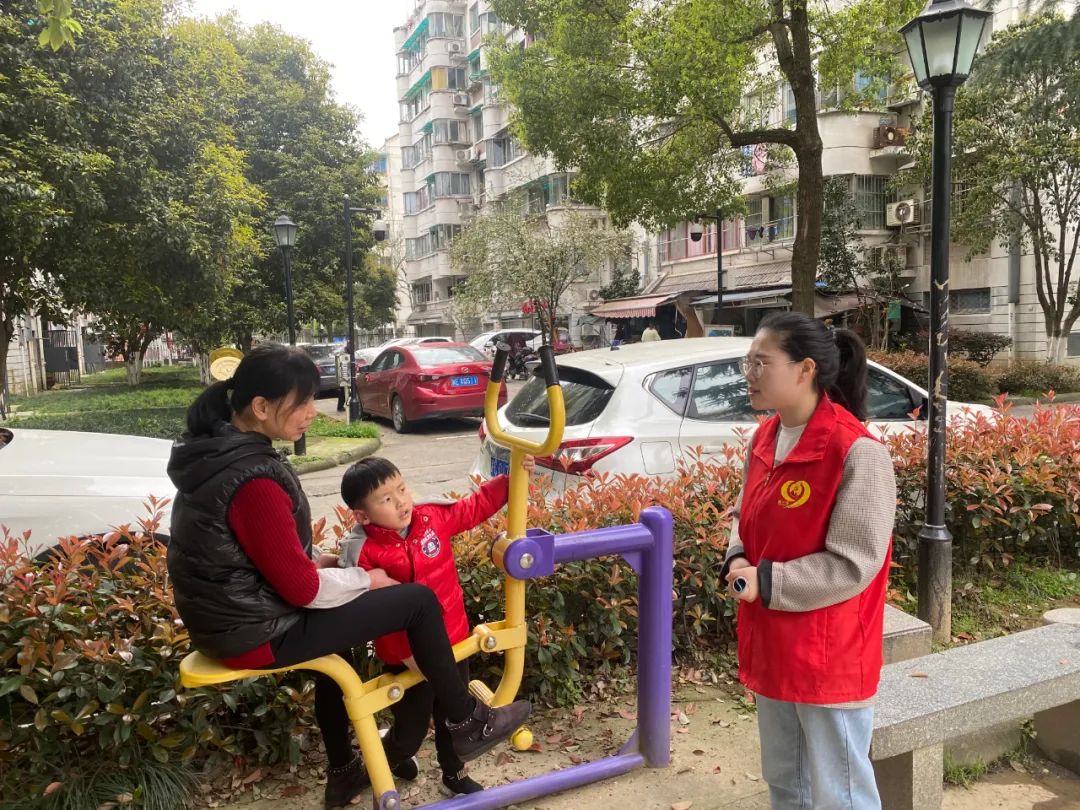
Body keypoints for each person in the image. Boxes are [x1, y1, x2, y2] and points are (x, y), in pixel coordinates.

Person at [166, 344, 531, 810]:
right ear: (260, 408)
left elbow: (248, 557)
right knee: (417, 600)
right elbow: (301, 590)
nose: (312, 414)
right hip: (254, 632)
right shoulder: (252, 478)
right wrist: (366, 580)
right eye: (301, 404)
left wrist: (315, 563)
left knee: (336, 646)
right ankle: (466, 721)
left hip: (233, 623)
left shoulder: (215, 456)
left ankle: (343, 773)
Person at [719, 312, 896, 810]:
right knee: (785, 781)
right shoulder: (766, 438)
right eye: (747, 361)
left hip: (828, 655)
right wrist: (737, 557)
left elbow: (853, 564)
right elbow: (744, 512)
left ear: (805, 369)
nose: (748, 373)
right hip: (773, 644)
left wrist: (767, 581)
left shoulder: (857, 452)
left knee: (840, 792)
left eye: (762, 362)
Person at [337, 454, 535, 796]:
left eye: (402, 489)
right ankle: (375, 766)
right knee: (410, 733)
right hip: (407, 657)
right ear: (361, 515)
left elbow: (473, 508)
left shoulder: (431, 518)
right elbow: (360, 607)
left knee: (454, 718)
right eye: (386, 499)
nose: (401, 502)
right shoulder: (364, 551)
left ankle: (454, 775)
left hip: (452, 641)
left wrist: (512, 479)